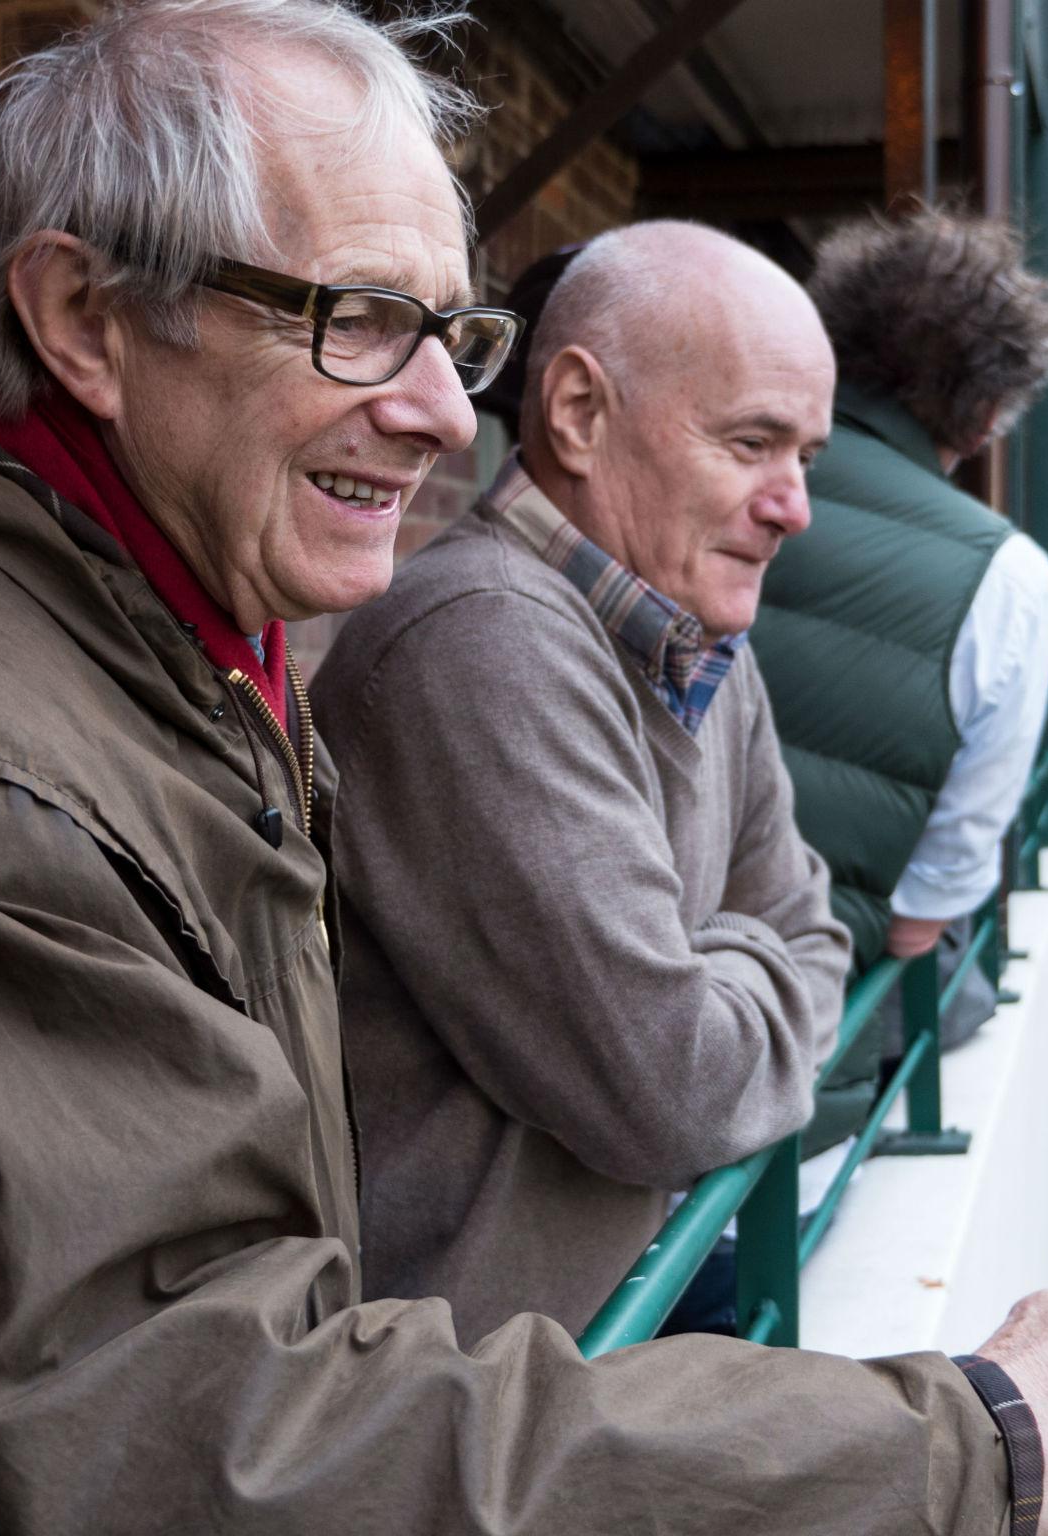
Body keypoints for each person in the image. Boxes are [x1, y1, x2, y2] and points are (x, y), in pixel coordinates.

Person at [0, 4, 1048, 1532]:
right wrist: (972, 1444)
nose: (430, 410)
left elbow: (795, 917)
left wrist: (739, 963)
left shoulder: (196, 653)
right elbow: (211, 1438)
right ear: (84, 318)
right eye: (353, 316)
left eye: (449, 335)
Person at [313, 221, 850, 1344]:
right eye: (753, 442)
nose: (792, 505)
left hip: (632, 1287)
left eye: (805, 457)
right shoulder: (480, 647)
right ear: (575, 413)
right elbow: (676, 1092)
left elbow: (820, 935)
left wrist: (716, 965)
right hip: (490, 1386)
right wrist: (740, 954)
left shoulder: (701, 635)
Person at [752, 207, 1048, 1150]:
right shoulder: (1007, 578)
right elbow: (928, 909)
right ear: (984, 417)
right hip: (792, 1101)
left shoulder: (697, 472)